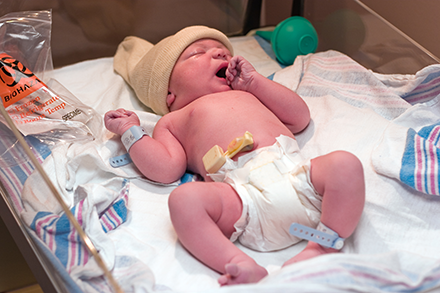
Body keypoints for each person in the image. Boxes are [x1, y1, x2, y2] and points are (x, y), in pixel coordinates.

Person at [105, 26, 365, 286]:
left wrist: (256, 83)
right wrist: (131, 132)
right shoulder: (173, 121)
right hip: (241, 201)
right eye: (198, 52)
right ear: (169, 93)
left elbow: (299, 117)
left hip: (299, 179)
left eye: (223, 51)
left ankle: (322, 247)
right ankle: (239, 262)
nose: (219, 53)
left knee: (345, 164)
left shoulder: (249, 93)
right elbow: (165, 169)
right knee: (183, 201)